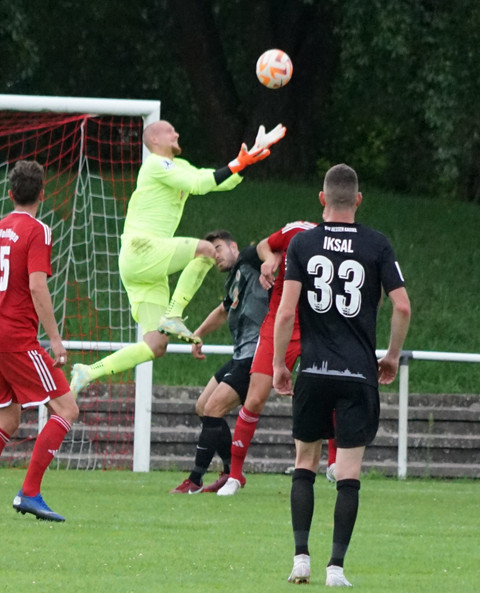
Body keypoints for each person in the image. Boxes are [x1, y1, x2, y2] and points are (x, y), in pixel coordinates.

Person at [69, 120, 285, 396]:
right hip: (141, 249)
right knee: (209, 250)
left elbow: (215, 183)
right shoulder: (156, 165)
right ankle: (173, 314)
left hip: (143, 270)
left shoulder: (178, 167)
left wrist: (247, 159)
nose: (177, 133)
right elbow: (198, 183)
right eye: (171, 130)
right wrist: (238, 163)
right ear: (156, 140)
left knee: (155, 345)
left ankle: (87, 372)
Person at [273, 164, 411, 587]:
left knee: (304, 463)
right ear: (358, 200)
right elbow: (403, 306)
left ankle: (301, 560)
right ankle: (336, 568)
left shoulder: (303, 243)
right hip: (357, 372)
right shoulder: (376, 244)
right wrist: (389, 355)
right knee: (348, 472)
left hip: (313, 369)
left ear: (322, 199)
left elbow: (284, 312)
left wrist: (280, 364)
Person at [0, 160, 79, 522]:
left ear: (10, 194)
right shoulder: (38, 231)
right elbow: (38, 285)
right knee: (67, 408)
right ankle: (29, 493)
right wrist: (55, 340)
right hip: (15, 336)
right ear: (43, 193)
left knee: (7, 418)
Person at [216, 220, 338, 497]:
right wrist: (271, 259)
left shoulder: (339, 245)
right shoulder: (296, 231)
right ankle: (234, 475)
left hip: (315, 328)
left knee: (326, 390)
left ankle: (333, 463)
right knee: (255, 398)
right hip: (276, 326)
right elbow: (263, 245)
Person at [169, 230, 269, 494]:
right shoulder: (234, 281)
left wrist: (271, 260)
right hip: (240, 355)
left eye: (218, 248)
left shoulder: (249, 259)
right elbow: (223, 310)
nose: (215, 256)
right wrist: (198, 334)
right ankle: (229, 473)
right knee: (203, 407)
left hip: (256, 355)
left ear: (233, 246)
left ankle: (195, 479)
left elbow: (271, 246)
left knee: (213, 409)